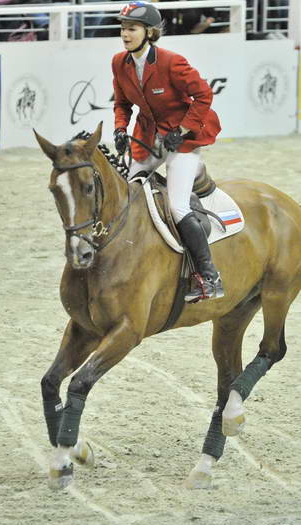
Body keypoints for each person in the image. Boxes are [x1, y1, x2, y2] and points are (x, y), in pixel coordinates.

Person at [111, 1, 224, 303]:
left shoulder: (172, 62)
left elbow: (204, 94)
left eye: (131, 28)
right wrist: (120, 129)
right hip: (147, 138)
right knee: (128, 194)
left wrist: (184, 130)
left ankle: (209, 276)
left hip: (182, 141)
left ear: (149, 32)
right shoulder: (119, 62)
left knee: (178, 207)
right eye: (122, 28)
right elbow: (122, 103)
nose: (125, 34)